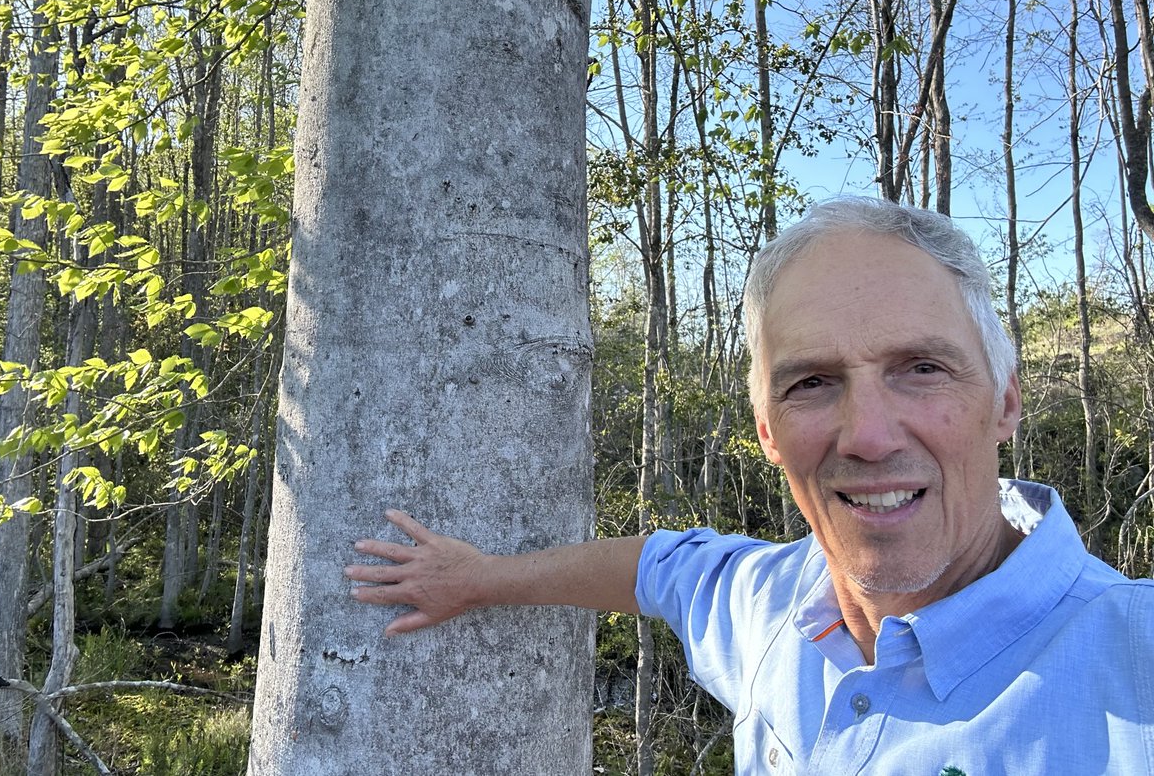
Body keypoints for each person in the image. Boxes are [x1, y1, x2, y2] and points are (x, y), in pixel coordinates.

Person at [343, 197, 1154, 774]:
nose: (868, 436)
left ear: (1006, 399)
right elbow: (659, 568)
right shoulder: (772, 604)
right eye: (810, 384)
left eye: (923, 369)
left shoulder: (1130, 665)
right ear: (766, 429)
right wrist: (480, 580)